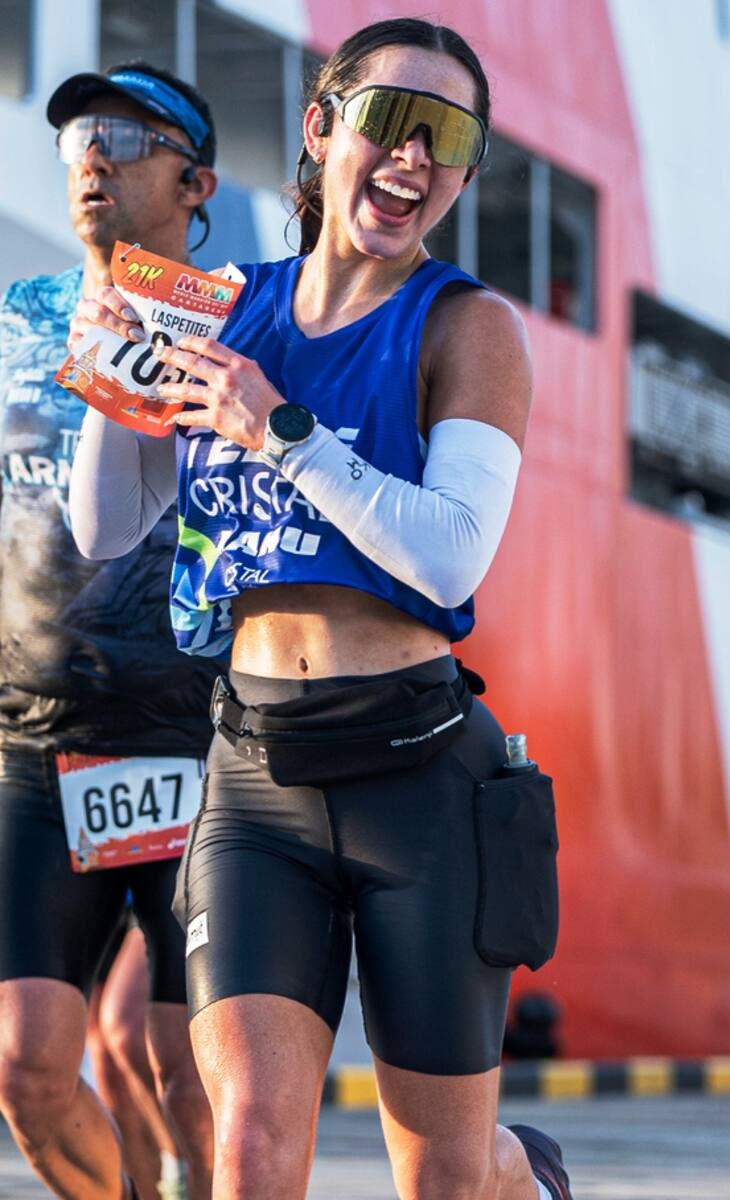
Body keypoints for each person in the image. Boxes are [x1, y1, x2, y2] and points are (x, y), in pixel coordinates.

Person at [69, 19, 569, 1200]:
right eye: (388, 118)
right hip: (256, 779)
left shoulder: (468, 327)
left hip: (420, 782)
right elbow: (106, 526)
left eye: (446, 135)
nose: (412, 154)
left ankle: (526, 1177)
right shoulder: (223, 305)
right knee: (246, 1152)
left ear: (462, 171)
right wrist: (111, 377)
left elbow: (449, 561)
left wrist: (281, 432)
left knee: (445, 1176)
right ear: (321, 127)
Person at [0, 62, 219, 1199]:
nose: (94, 153)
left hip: (194, 741)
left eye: (129, 136)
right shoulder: (12, 321)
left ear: (195, 182)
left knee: (181, 1063)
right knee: (28, 1069)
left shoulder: (232, 321)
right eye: (80, 134)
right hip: (34, 743)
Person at [87, 918, 187, 1200]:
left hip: (152, 879)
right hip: (89, 878)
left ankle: (181, 1175)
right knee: (107, 1061)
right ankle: (147, 1192)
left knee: (127, 1026)